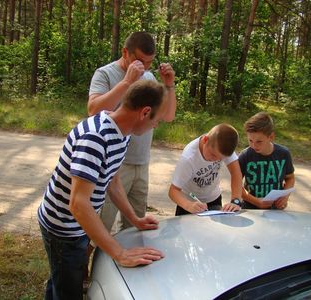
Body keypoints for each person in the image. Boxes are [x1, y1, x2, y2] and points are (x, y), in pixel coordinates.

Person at [38, 80, 166, 300]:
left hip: (77, 226)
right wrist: (120, 253)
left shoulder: (122, 132)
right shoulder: (96, 138)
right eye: (157, 120)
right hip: (63, 230)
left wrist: (133, 218)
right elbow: (78, 204)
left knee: (62, 279)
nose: (156, 126)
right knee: (69, 289)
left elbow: (112, 181)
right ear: (145, 112)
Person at [88, 31, 176, 232]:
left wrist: (169, 85)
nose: (144, 67)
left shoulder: (149, 77)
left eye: (149, 62)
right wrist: (126, 82)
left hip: (141, 162)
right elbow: (93, 110)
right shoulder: (105, 74)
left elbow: (168, 116)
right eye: (139, 61)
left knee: (134, 228)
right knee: (100, 227)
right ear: (125, 52)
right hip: (114, 165)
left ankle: (126, 260)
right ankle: (93, 263)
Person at [168, 123, 243, 215]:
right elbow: (173, 191)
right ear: (205, 140)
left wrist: (236, 200)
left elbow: (236, 173)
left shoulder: (222, 147)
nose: (215, 160)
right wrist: (188, 205)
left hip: (214, 199)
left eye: (220, 158)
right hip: (188, 202)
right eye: (213, 155)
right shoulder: (189, 158)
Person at [238, 112, 295, 209]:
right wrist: (257, 202)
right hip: (250, 209)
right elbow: (236, 185)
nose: (254, 146)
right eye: (250, 140)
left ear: (271, 137)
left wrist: (285, 197)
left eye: (259, 141)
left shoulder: (283, 154)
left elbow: (290, 178)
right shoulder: (245, 156)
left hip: (275, 210)